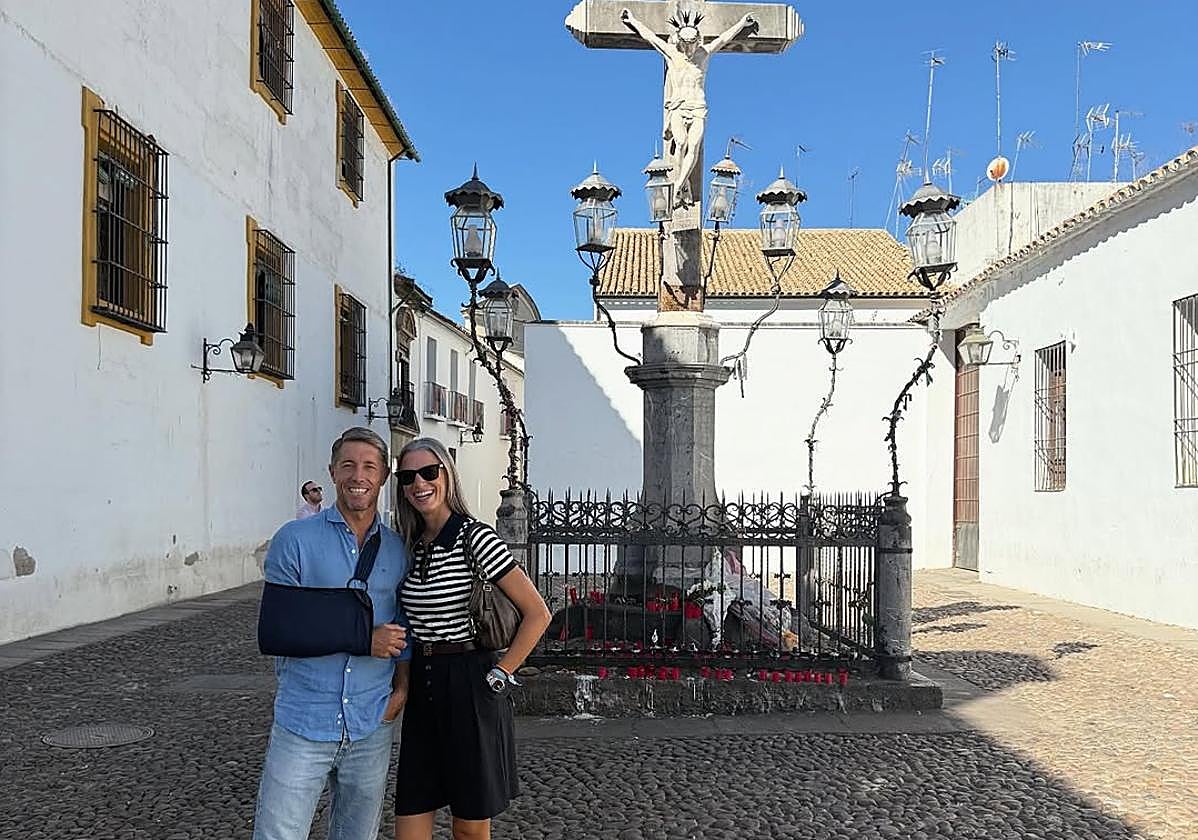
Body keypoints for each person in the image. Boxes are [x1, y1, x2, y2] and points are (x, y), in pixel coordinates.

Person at [385, 437, 551, 840]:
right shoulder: (411, 544)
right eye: (408, 477)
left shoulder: (474, 538)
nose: (419, 483)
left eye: (429, 472)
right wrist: (403, 684)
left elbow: (537, 612)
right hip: (424, 684)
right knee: (411, 816)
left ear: (447, 475)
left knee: (470, 826)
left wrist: (501, 674)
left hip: (469, 681)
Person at [253, 427, 411, 840]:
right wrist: (363, 637)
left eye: (369, 467)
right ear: (332, 472)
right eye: (348, 465)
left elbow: (405, 626)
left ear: (383, 476)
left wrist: (402, 691)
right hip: (303, 720)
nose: (358, 475)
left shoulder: (397, 550)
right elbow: (278, 629)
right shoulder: (295, 540)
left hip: (369, 723)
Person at [620, 6, 757, 202]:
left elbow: (724, 39)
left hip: (698, 108)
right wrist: (632, 20)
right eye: (686, 43)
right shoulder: (673, 55)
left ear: (697, 41)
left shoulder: (704, 55)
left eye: (693, 43)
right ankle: (681, 184)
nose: (690, 48)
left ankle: (678, 185)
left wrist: (742, 23)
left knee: (693, 146)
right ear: (680, 42)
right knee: (681, 142)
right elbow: (650, 37)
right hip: (679, 107)